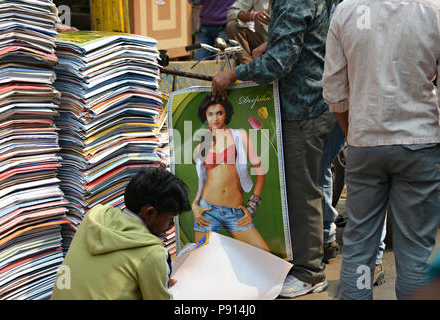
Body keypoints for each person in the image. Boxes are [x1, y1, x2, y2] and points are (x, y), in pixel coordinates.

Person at [212, 0, 336, 298]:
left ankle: (310, 272)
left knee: (302, 192)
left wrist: (234, 74)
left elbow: (280, 62)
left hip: (302, 108)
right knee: (304, 189)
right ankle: (304, 261)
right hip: (310, 102)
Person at [323, 0, 439, 300]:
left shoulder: (346, 10)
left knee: (359, 247)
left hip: (364, 143)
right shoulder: (433, 9)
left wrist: (354, 134)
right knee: (414, 253)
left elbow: (334, 92)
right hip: (420, 144)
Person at [51, 167, 191, 300]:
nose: (172, 225)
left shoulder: (95, 216)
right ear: (150, 213)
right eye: (171, 218)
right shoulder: (151, 253)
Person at [192, 94, 270, 252]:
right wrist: (195, 205)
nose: (215, 118)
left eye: (219, 113)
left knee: (264, 254)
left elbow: (260, 173)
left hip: (235, 211)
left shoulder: (240, 136)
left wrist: (252, 207)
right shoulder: (202, 144)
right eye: (210, 114)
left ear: (226, 113)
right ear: (205, 116)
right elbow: (202, 180)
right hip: (207, 210)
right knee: (202, 260)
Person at [226, 0, 271, 64]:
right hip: (261, 40)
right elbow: (231, 13)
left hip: (282, 43)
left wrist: (263, 47)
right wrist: (253, 16)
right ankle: (247, 65)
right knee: (232, 26)